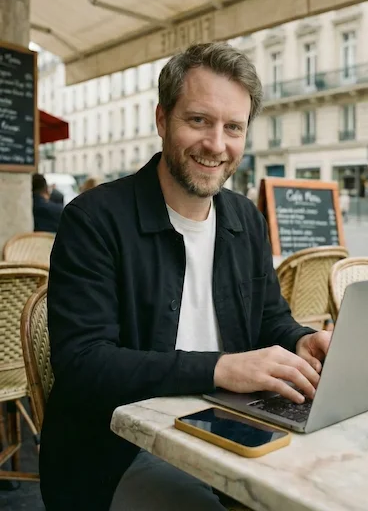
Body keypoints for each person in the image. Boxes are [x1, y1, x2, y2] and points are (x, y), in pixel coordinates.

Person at [40, 42, 331, 511]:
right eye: (198, 121)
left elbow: (270, 319)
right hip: (117, 451)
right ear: (162, 120)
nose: (217, 145)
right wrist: (220, 368)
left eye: (233, 127)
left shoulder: (245, 219)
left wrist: (301, 340)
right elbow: (84, 365)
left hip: (232, 429)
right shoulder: (93, 219)